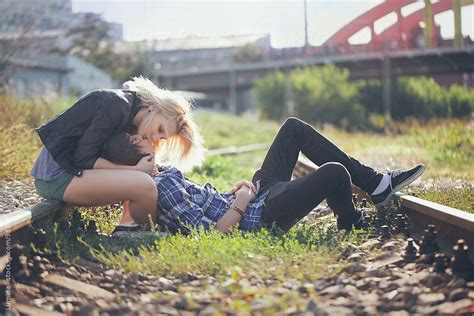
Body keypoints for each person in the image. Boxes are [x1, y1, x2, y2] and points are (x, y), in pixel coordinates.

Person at [102, 117, 425, 236]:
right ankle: (350, 220)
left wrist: (234, 193)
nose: (153, 140)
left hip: (255, 198)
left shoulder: (167, 173)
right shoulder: (162, 184)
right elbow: (210, 234)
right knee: (335, 175)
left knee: (292, 129)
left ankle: (375, 184)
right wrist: (242, 203)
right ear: (136, 153)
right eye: (145, 140)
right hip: (260, 216)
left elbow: (204, 205)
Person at [31, 77, 205, 231]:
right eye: (160, 129)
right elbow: (83, 159)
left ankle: (128, 226)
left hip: (73, 173)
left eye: (163, 137)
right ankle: (139, 232)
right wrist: (136, 170)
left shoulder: (133, 121)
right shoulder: (115, 105)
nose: (156, 137)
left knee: (147, 177)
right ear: (153, 108)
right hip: (56, 176)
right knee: (144, 184)